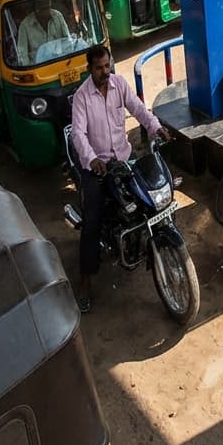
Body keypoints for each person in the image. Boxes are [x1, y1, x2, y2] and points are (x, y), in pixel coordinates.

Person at [70, 43, 170, 312]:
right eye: (99, 68)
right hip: (97, 167)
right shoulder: (81, 98)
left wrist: (156, 127)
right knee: (92, 222)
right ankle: (85, 284)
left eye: (107, 65)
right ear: (89, 69)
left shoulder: (119, 84)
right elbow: (77, 134)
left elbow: (138, 108)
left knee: (148, 200)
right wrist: (91, 159)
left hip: (124, 159)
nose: (105, 72)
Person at [17, 0, 70, 65]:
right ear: (36, 9)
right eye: (43, 9)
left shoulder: (57, 16)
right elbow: (22, 53)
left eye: (48, 7)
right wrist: (28, 70)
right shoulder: (25, 25)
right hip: (38, 67)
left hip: (59, 62)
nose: (46, 12)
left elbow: (67, 40)